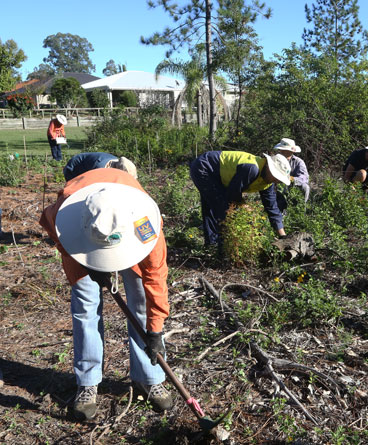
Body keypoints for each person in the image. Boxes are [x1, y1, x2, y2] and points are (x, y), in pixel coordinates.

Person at [39, 167, 173, 421]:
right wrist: (85, 262)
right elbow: (54, 232)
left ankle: (149, 377)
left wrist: (154, 330)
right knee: (85, 307)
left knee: (141, 301)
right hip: (83, 237)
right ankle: (87, 382)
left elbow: (155, 279)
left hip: (126, 231)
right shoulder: (64, 211)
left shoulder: (145, 226)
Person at [189, 150, 291, 246]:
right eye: (276, 176)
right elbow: (233, 194)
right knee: (222, 208)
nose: (276, 180)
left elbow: (272, 208)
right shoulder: (252, 168)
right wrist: (244, 206)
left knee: (215, 206)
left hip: (219, 176)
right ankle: (221, 250)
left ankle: (212, 245)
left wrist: (283, 236)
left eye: (278, 179)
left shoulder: (268, 182)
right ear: (268, 166)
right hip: (204, 167)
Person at [273, 138, 310, 203]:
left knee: (305, 187)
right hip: (277, 185)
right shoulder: (274, 160)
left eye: (287, 150)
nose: (285, 152)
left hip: (293, 186)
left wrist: (291, 179)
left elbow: (305, 178)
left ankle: (300, 208)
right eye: (283, 150)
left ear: (292, 151)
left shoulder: (298, 162)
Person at [63, 152, 138, 182]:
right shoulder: (100, 168)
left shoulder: (116, 162)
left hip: (88, 165)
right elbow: (93, 186)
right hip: (74, 168)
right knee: (74, 191)